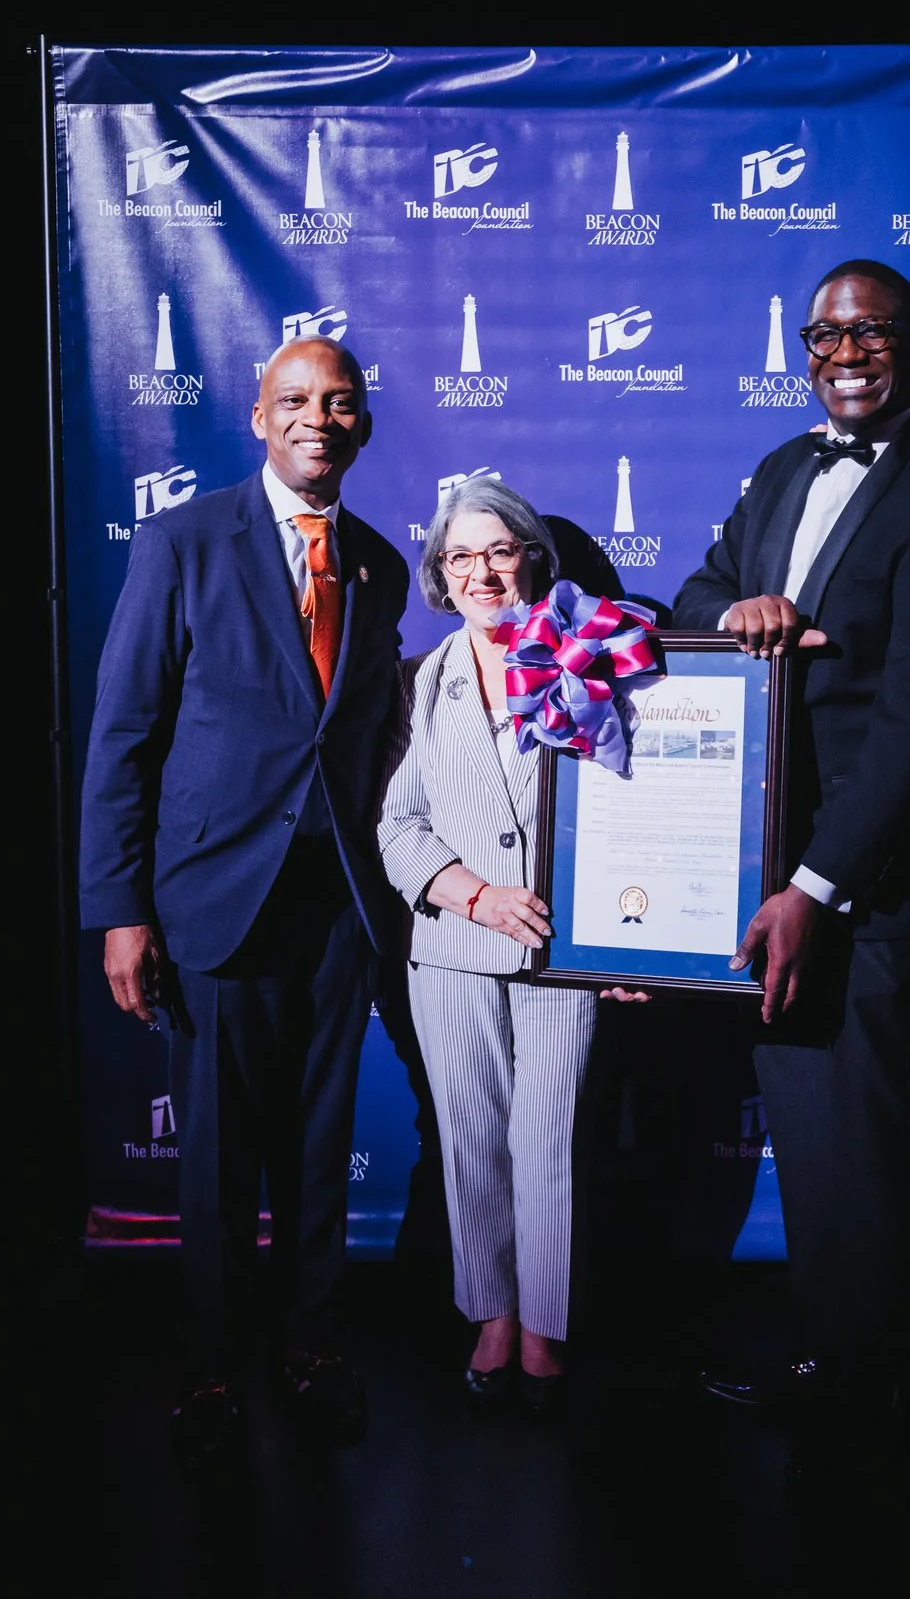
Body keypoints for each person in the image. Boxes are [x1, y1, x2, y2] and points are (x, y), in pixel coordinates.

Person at [674, 259, 910, 1435]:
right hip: (773, 875)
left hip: (869, 894)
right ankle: (840, 1357)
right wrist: (737, 612)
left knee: (874, 1142)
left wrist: (815, 887)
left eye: (872, 333)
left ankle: (877, 1392)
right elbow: (703, 584)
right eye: (825, 335)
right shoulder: (781, 468)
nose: (847, 352)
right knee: (816, 1134)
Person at [80, 336, 410, 1461]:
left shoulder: (377, 561)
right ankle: (215, 1358)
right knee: (218, 1149)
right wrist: (120, 907)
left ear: (363, 425)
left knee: (318, 1146)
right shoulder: (183, 542)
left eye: (341, 401)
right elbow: (124, 734)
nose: (320, 416)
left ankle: (312, 1345)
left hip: (336, 906)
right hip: (212, 898)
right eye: (296, 401)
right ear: (259, 419)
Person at [377, 473, 612, 1417]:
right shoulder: (419, 681)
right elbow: (397, 826)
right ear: (440, 571)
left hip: (564, 953)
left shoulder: (590, 658)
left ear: (531, 560)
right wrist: (472, 895)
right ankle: (490, 1312)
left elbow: (633, 809)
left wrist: (632, 943)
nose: (482, 570)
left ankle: (546, 1319)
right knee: (470, 1140)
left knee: (548, 1139)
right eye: (461, 555)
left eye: (499, 550)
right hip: (450, 949)